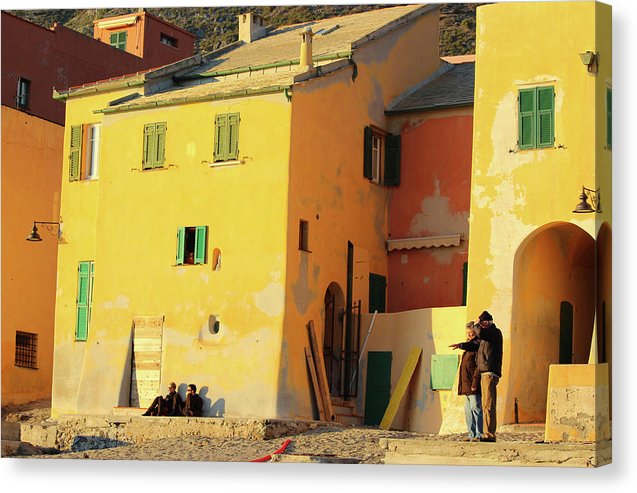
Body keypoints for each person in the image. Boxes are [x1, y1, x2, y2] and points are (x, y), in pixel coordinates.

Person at [473, 310, 503, 442]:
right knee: (486, 404)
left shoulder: (494, 333)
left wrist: (476, 325)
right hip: (484, 372)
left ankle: (489, 434)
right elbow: (475, 343)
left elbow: (480, 333)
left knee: (488, 404)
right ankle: (487, 433)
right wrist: (462, 345)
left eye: (482, 322)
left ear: (486, 322)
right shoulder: (487, 335)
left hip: (490, 373)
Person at [449, 322, 483, 441]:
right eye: (468, 334)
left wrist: (474, 383)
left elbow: (477, 368)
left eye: (471, 334)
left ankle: (479, 434)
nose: (469, 336)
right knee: (468, 411)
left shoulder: (477, 347)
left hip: (472, 385)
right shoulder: (468, 348)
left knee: (476, 409)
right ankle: (471, 434)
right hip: (465, 385)